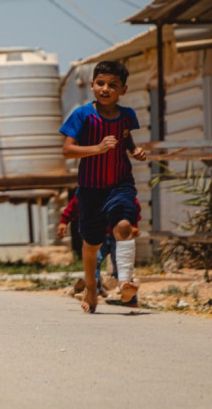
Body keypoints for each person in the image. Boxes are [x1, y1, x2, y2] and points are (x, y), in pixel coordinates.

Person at [59, 60, 147, 313]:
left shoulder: (127, 115)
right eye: (100, 83)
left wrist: (136, 151)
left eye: (112, 85)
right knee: (92, 242)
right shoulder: (82, 115)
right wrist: (96, 148)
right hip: (90, 188)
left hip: (120, 183)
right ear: (92, 85)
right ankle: (90, 285)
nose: (105, 89)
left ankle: (125, 283)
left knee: (124, 226)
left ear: (123, 90)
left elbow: (127, 139)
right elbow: (67, 150)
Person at [57, 194, 141, 298]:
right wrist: (64, 222)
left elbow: (132, 205)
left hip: (118, 235)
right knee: (93, 262)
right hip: (98, 235)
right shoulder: (89, 188)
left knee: (122, 265)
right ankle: (94, 292)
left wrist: (133, 225)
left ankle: (130, 296)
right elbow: (74, 205)